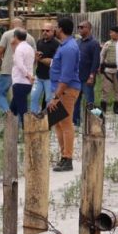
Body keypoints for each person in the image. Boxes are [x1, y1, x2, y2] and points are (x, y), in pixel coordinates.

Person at [47, 16, 81, 172]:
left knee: (66, 124)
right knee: (58, 123)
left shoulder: (69, 48)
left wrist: (56, 97)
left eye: (55, 27)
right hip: (59, 89)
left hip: (65, 90)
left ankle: (68, 158)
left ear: (60, 29)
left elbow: (66, 76)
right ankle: (63, 156)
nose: (54, 29)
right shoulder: (64, 45)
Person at [0, 18, 35, 114]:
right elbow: (35, 56)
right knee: (20, 99)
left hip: (8, 70)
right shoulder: (30, 38)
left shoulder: (7, 34)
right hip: (25, 78)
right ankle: (16, 120)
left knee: (0, 94)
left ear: (12, 25)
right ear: (22, 25)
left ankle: (8, 114)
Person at [73, 21, 101, 125]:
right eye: (78, 27)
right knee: (75, 101)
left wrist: (91, 76)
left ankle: (97, 120)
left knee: (90, 101)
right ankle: (76, 122)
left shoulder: (94, 43)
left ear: (89, 29)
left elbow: (96, 61)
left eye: (82, 27)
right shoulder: (77, 42)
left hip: (87, 78)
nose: (79, 29)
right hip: (76, 78)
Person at [30, 22, 60, 113]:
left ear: (52, 31)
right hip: (39, 76)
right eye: (42, 30)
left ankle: (48, 122)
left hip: (50, 78)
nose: (44, 32)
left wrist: (40, 59)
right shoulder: (39, 42)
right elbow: (36, 59)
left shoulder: (56, 44)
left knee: (49, 100)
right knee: (33, 97)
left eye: (47, 30)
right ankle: (33, 118)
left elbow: (54, 62)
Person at [9, 29, 35, 120]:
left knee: (22, 110)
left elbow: (20, 65)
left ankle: (27, 129)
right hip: (26, 83)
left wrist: (28, 76)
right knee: (13, 109)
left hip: (20, 82)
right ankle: (8, 130)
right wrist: (12, 45)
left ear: (15, 37)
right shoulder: (29, 48)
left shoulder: (19, 49)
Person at [100, 25, 118, 114]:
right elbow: (102, 55)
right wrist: (101, 66)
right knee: (105, 89)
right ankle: (103, 109)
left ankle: (116, 108)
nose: (110, 34)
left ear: (117, 33)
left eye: (112, 32)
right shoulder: (107, 44)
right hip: (108, 70)